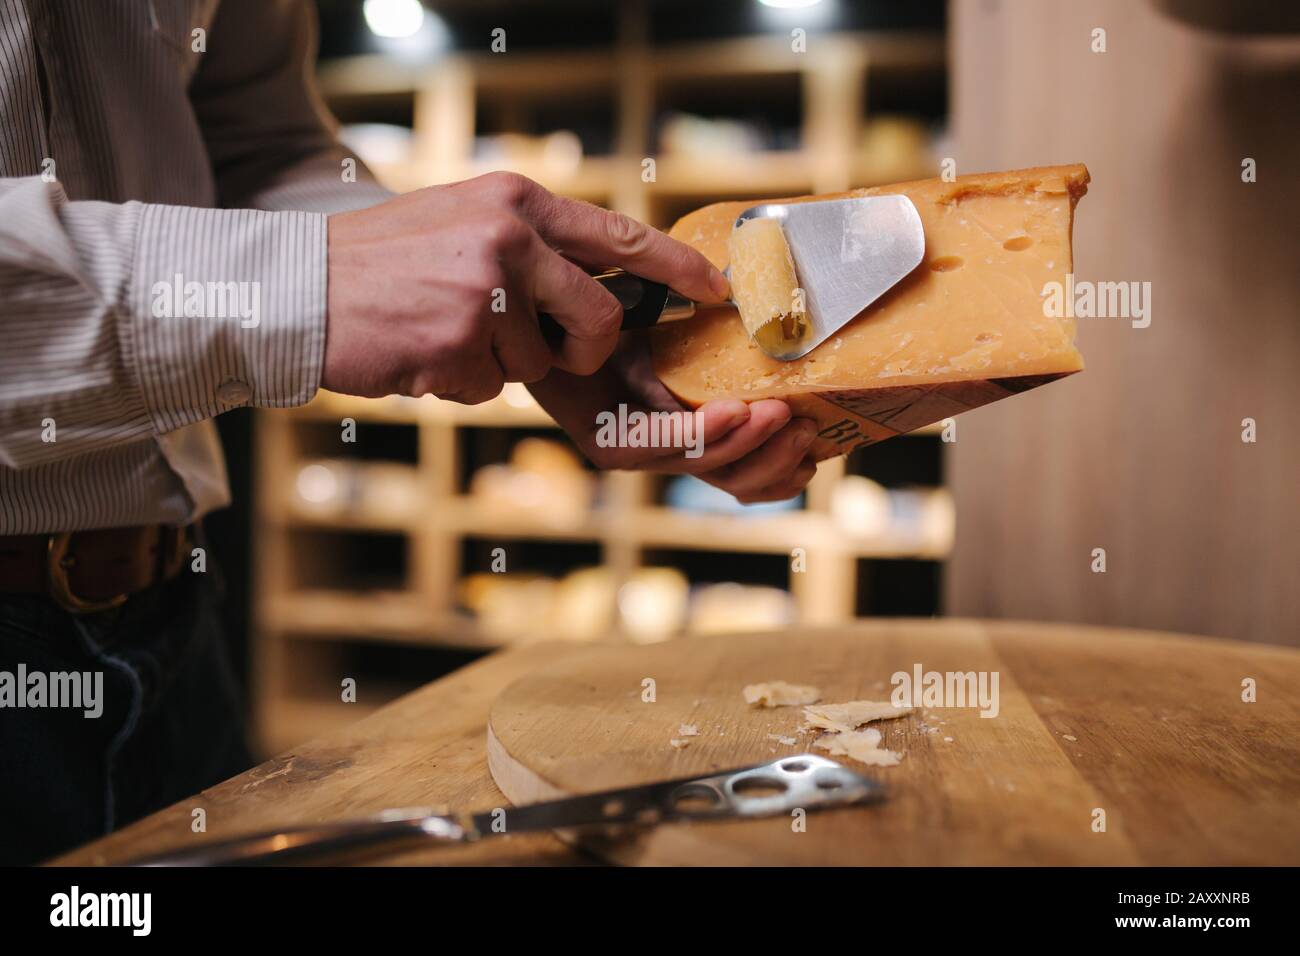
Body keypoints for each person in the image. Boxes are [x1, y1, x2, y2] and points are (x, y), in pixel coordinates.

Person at [0, 2, 817, 863]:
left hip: (166, 622)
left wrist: (529, 320)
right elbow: (291, 251)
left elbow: (255, 143)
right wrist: (301, 283)